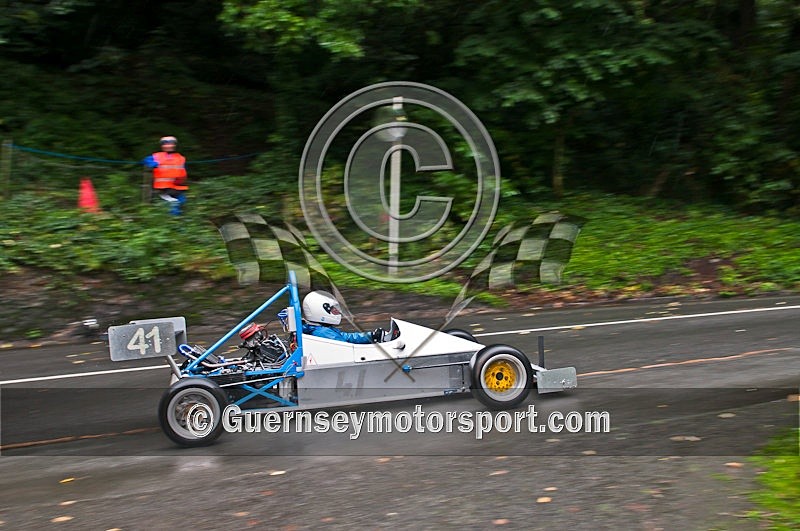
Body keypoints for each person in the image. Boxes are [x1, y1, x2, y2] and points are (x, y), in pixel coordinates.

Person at [301, 290, 385, 344]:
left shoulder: (321, 328)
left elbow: (346, 337)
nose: (337, 312)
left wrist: (372, 336)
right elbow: (349, 349)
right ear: (319, 310)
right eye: (332, 309)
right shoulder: (323, 333)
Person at [142, 136, 188, 215]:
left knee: (182, 201)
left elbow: (182, 170)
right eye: (166, 144)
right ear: (162, 146)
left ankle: (177, 217)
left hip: (177, 186)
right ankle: (173, 218)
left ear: (174, 145)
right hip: (163, 187)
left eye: (171, 144)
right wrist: (152, 163)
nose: (168, 146)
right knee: (174, 203)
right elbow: (146, 160)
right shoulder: (156, 156)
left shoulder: (180, 158)